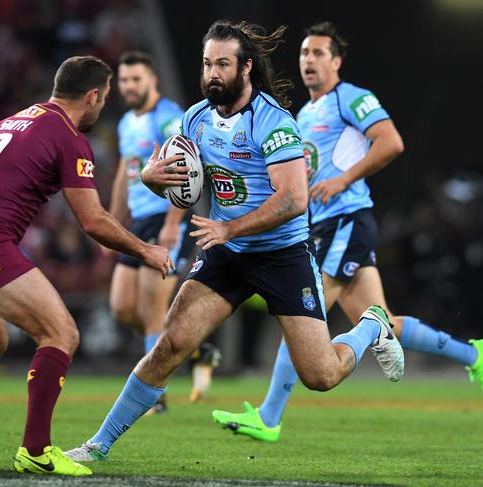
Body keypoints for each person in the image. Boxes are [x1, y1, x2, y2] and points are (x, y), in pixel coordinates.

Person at [64, 20, 404, 463]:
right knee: (170, 345)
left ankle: (373, 325)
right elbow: (179, 184)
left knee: (320, 376)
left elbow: (294, 200)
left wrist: (228, 227)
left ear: (245, 68)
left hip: (282, 254)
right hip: (227, 255)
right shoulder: (194, 120)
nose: (212, 73)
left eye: (222, 64)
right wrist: (150, 179)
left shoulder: (273, 121)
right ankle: (98, 445)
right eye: (207, 63)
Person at [0, 55, 177, 476]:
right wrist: (147, 250)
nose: (102, 107)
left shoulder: (11, 121)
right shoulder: (68, 135)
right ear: (93, 95)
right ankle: (36, 450)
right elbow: (92, 220)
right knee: (61, 333)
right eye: (103, 98)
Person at [211, 20, 483, 443]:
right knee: (384, 322)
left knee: (302, 313)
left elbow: (391, 142)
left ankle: (268, 417)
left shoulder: (350, 99)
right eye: (304, 53)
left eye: (319, 53)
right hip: (329, 225)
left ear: (336, 61)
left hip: (347, 220)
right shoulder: (304, 113)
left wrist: (343, 180)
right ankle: (475, 354)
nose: (309, 61)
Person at [108, 50, 221, 411]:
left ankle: (153, 396)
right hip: (139, 221)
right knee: (123, 308)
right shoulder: (127, 122)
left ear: (152, 80)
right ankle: (197, 349)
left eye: (135, 79)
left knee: (152, 309)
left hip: (164, 218)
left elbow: (184, 170)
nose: (129, 86)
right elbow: (124, 175)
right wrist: (111, 222)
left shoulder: (170, 117)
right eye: (124, 80)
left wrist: (174, 222)